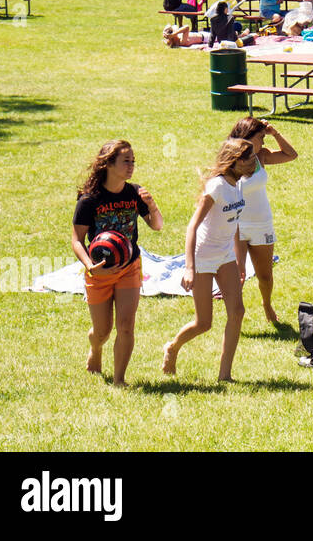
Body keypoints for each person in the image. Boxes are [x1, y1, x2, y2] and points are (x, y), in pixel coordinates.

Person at [72, 140, 164, 387]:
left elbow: (157, 226)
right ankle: (96, 349)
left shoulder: (134, 193)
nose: (131, 166)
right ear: (108, 164)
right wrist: (89, 265)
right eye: (126, 161)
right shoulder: (90, 200)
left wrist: (152, 205)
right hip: (99, 272)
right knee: (102, 331)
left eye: (133, 161)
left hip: (129, 267)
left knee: (125, 326)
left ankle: (119, 379)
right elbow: (77, 240)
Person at [162, 139, 253, 381]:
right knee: (203, 323)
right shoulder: (216, 187)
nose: (253, 161)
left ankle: (225, 375)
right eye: (248, 157)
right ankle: (172, 347)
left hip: (225, 256)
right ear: (234, 161)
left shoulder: (238, 184)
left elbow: (234, 221)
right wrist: (189, 268)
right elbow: (192, 226)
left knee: (237, 311)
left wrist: (239, 259)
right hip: (203, 257)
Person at [228, 118, 297, 325]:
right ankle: (235, 316)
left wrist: (274, 133)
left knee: (265, 277)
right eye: (261, 138)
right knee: (239, 274)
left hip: (262, 224)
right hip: (237, 225)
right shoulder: (229, 161)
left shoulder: (261, 157)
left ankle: (267, 305)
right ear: (247, 138)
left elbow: (291, 155)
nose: (264, 143)